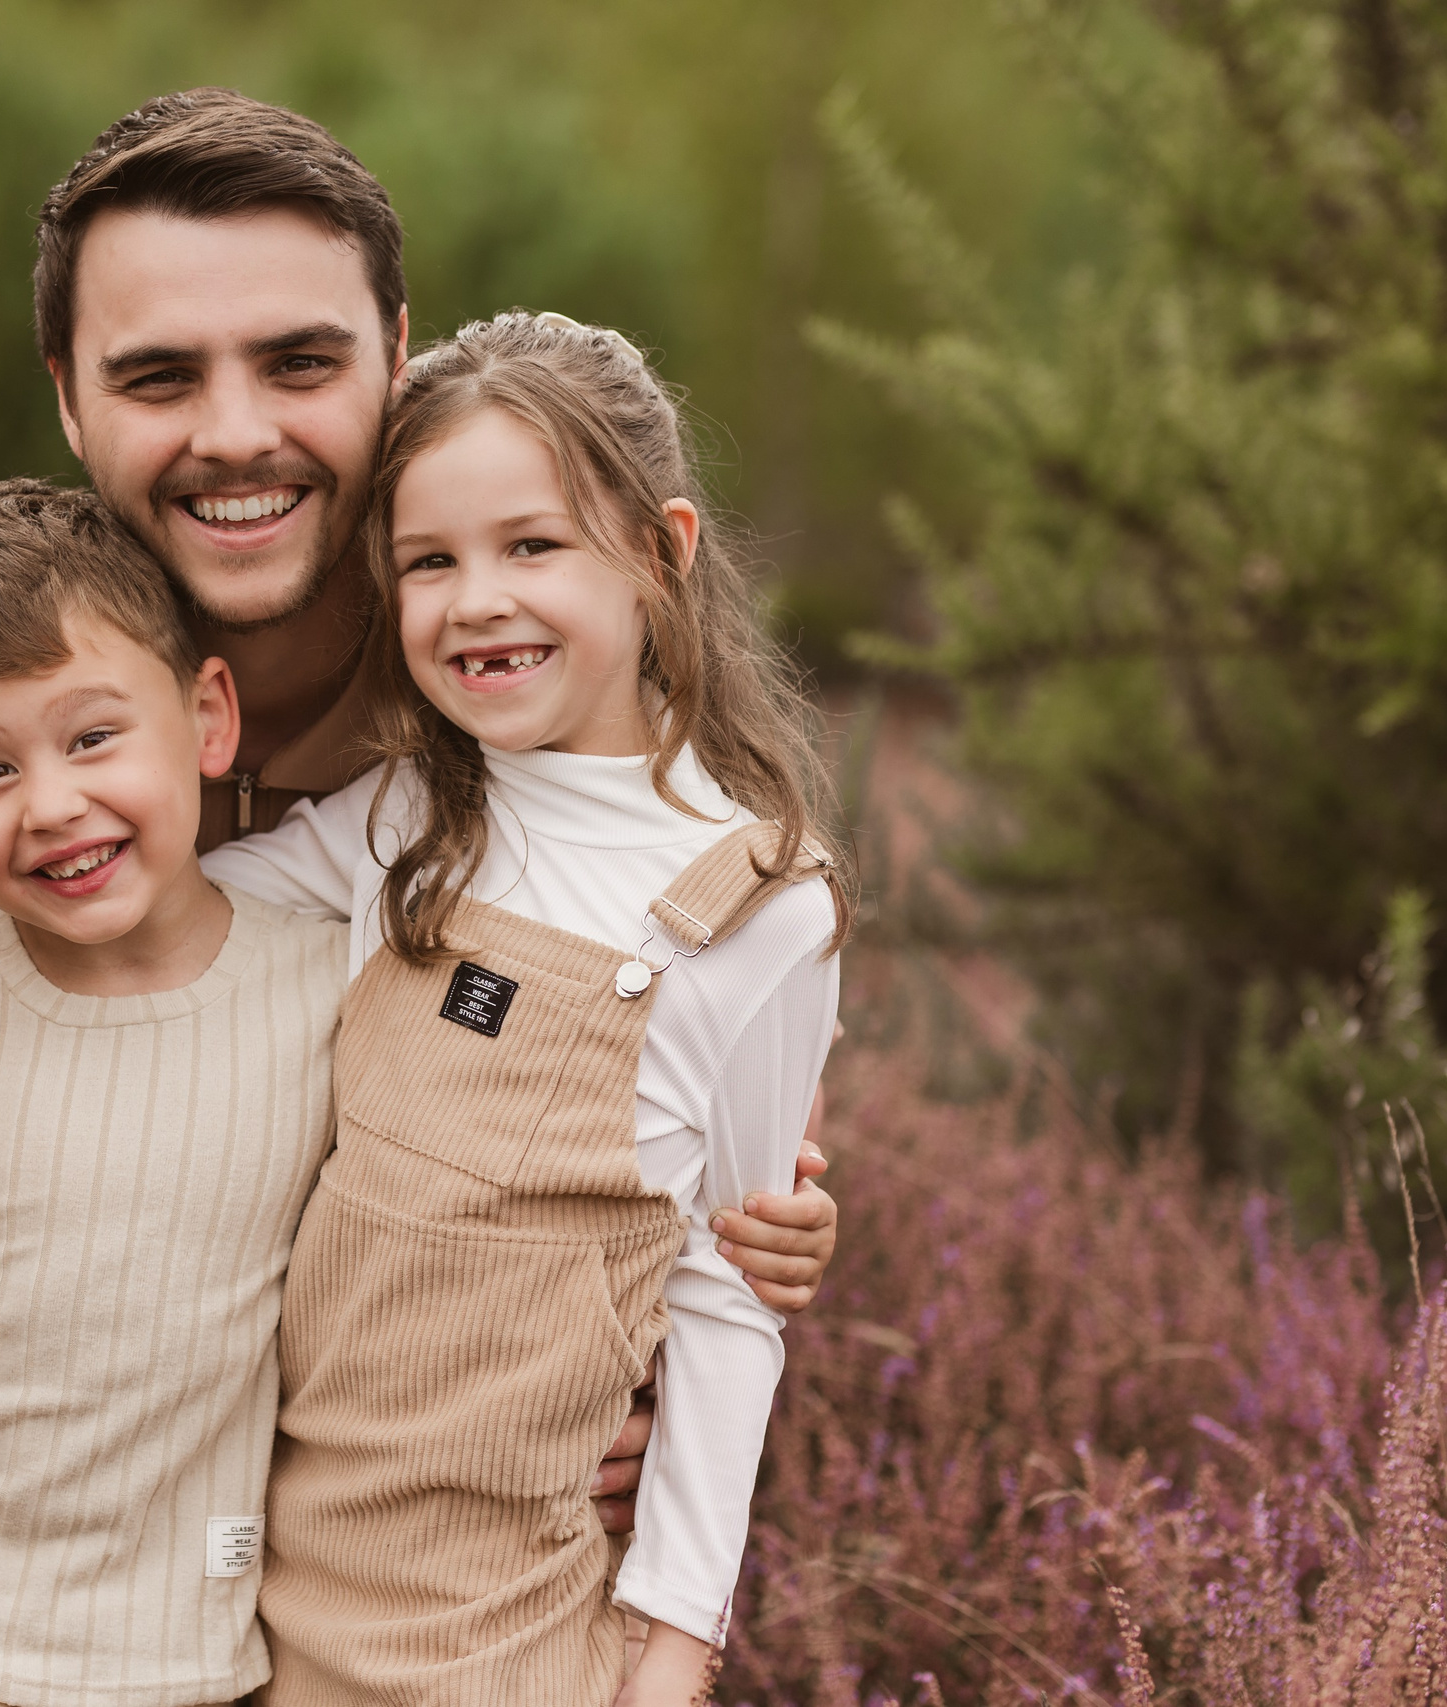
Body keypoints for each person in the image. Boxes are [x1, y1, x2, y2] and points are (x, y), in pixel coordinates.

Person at [0, 89, 842, 1354]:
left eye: (299, 362)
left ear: (395, 353)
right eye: (157, 377)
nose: (237, 435)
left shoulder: (509, 703)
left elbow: (672, 1118)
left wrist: (684, 1301)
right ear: (71, 401)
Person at [202, 311, 848, 1703]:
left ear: (663, 552)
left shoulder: (759, 904)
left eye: (532, 545)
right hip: (262, 1608)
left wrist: (673, 1652)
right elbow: (161, 910)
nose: (475, 598)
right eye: (428, 561)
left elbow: (734, 1298)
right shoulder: (403, 821)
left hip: (505, 1637)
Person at [0, 480, 347, 1706]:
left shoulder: (326, 995)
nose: (52, 805)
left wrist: (754, 1220)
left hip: (171, 1649)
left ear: (206, 718)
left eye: (94, 738)